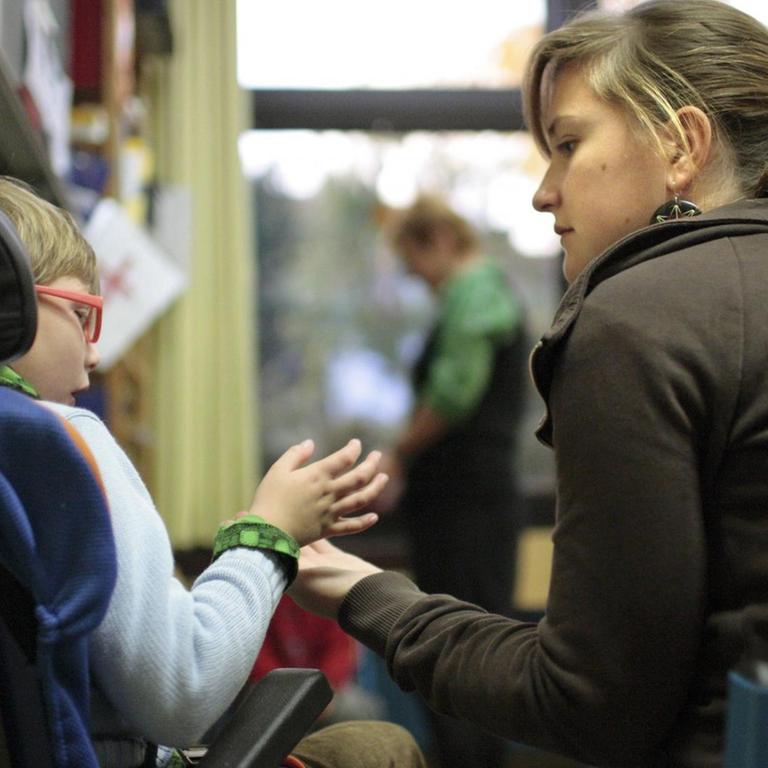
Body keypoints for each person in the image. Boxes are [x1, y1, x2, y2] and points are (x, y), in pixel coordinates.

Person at [289, 2, 768, 767]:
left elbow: (590, 700)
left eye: (568, 144)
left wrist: (369, 596)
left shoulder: (636, 317)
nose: (544, 192)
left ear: (682, 145)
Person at [0, 177, 426, 768]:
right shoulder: (57, 442)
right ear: (14, 302)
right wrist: (267, 535)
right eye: (80, 314)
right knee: (381, 747)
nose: (95, 355)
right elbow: (184, 692)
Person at [378, 195, 528, 768]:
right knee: (459, 651)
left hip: (468, 510)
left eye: (413, 262)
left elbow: (453, 394)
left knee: (463, 652)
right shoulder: (470, 297)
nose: (416, 278)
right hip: (459, 507)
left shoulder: (476, 292)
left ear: (439, 239)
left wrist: (397, 455)